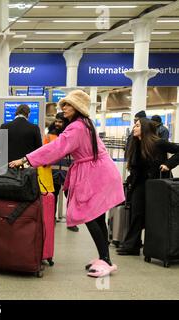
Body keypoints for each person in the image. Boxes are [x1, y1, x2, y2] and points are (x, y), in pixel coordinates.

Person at [10, 90, 124, 278]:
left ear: (78, 108)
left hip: (93, 173)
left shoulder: (77, 127)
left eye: (68, 105)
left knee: (89, 216)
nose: (64, 108)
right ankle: (105, 258)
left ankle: (106, 261)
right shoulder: (85, 124)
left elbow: (56, 148)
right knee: (97, 217)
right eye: (64, 104)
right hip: (100, 171)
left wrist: (25, 159)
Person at [117, 118, 179, 256]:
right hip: (140, 183)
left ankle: (152, 246)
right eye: (135, 125)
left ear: (145, 128)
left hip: (156, 184)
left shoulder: (158, 143)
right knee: (136, 213)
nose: (134, 128)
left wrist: (169, 164)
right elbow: (136, 168)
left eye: (137, 126)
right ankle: (132, 245)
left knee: (154, 216)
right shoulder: (135, 144)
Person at [44, 113, 77, 231]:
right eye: (56, 121)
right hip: (53, 172)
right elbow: (43, 151)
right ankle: (50, 219)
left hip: (69, 172)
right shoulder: (49, 136)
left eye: (61, 122)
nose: (57, 124)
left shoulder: (71, 136)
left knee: (70, 197)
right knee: (53, 196)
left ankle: (72, 222)